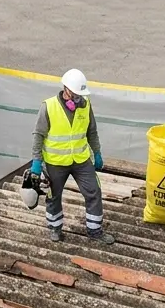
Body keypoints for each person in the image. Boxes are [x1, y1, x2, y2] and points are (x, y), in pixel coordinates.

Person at [31, 69, 114, 245]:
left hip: (81, 160)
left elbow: (92, 132)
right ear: (66, 89)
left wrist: (97, 152)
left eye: (80, 95)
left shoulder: (86, 105)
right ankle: (55, 228)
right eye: (75, 94)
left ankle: (95, 230)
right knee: (54, 195)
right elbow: (38, 135)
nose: (78, 98)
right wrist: (36, 162)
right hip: (56, 162)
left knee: (94, 191)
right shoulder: (49, 106)